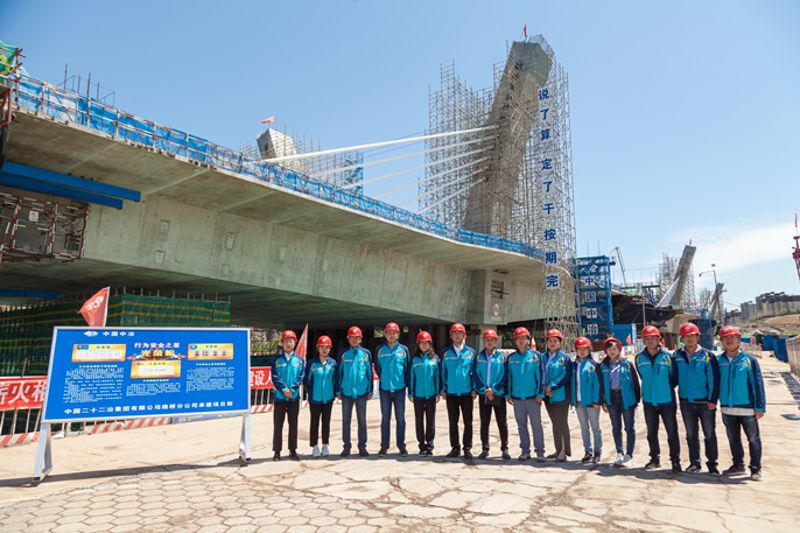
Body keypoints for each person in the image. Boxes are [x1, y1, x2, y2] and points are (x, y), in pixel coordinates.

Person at [717, 325, 766, 481]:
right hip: (727, 408)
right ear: (721, 341)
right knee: (734, 439)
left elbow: (758, 384)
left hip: (747, 409)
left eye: (732, 337)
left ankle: (756, 468)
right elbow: (714, 383)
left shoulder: (749, 361)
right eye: (725, 338)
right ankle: (738, 465)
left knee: (753, 439)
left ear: (738, 339)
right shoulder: (719, 361)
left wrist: (760, 406)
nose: (729, 340)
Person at [674, 322, 720, 474]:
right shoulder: (677, 356)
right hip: (686, 401)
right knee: (691, 434)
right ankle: (695, 463)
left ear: (697, 337)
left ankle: (712, 464)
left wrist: (713, 399)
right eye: (686, 336)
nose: (689, 339)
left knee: (709, 434)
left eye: (692, 335)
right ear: (682, 338)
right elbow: (673, 376)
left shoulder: (707, 355)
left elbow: (714, 378)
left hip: (705, 402)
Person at [635, 325, 681, 472]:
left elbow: (674, 378)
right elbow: (642, 376)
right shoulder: (639, 358)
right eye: (647, 338)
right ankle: (654, 459)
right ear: (643, 340)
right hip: (649, 401)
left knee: (672, 432)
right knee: (651, 433)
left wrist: (663, 388)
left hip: (666, 400)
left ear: (659, 339)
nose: (650, 341)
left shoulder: (668, 357)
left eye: (653, 338)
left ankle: (675, 460)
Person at [507, 326, 546, 462]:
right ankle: (525, 450)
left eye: (523, 338)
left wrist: (540, 394)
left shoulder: (536, 356)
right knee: (521, 426)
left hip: (533, 398)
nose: (521, 341)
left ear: (528, 340)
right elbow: (509, 377)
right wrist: (508, 394)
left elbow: (541, 376)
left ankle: (540, 451)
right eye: (518, 339)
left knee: (536, 425)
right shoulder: (511, 358)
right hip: (517, 398)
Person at [599, 337, 640, 467]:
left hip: (626, 398)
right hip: (612, 398)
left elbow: (635, 382)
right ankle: (619, 453)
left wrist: (636, 400)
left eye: (615, 349)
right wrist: (603, 401)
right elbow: (601, 385)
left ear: (619, 349)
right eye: (609, 349)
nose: (612, 351)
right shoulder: (603, 366)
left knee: (629, 427)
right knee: (616, 427)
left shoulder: (627, 364)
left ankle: (629, 455)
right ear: (606, 351)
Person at [441, 323, 477, 460]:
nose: (457, 335)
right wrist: (443, 389)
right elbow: (443, 372)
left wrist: (474, 388)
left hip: (466, 393)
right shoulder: (446, 352)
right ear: (451, 336)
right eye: (454, 333)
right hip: (451, 393)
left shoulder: (471, 352)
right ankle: (455, 448)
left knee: (468, 422)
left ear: (464, 335)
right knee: (453, 422)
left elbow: (474, 372)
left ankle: (467, 448)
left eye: (459, 333)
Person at [473, 329, 510, 460]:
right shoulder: (478, 357)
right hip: (484, 394)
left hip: (497, 394)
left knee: (502, 422)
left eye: (492, 340)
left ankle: (504, 448)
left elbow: (504, 375)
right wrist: (484, 389)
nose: (489, 342)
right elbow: (475, 374)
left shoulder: (502, 358)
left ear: (496, 341)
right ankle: (485, 448)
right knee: (484, 422)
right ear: (483, 341)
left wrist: (493, 389)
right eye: (487, 340)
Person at [375, 322, 410, 457]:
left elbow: (407, 369)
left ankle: (401, 446)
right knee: (385, 419)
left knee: (400, 419)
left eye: (394, 333)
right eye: (388, 332)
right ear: (385, 334)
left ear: (398, 335)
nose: (391, 335)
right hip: (385, 389)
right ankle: (384, 446)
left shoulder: (404, 350)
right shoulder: (380, 350)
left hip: (399, 389)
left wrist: (404, 384)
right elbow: (378, 369)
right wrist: (385, 379)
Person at [337, 326, 373, 457]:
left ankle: (362, 447)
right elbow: (339, 373)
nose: (354, 340)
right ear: (348, 339)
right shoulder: (343, 354)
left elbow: (369, 373)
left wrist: (370, 391)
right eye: (351, 337)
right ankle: (346, 447)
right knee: (346, 421)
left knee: (362, 422)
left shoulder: (366, 354)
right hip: (346, 393)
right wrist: (338, 391)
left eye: (356, 337)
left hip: (361, 393)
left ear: (360, 339)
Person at [271, 330, 305, 461]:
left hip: (293, 398)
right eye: (285, 341)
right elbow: (275, 376)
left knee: (293, 425)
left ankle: (293, 450)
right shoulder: (277, 360)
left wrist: (293, 389)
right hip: (280, 398)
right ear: (282, 343)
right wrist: (284, 389)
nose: (288, 344)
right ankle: (277, 452)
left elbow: (300, 376)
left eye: (290, 341)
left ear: (295, 343)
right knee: (278, 425)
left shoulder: (299, 361)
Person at [408, 331, 441, 456]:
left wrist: (438, 392)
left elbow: (437, 377)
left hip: (431, 395)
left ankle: (430, 446)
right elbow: (411, 378)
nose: (424, 345)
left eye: (426, 343)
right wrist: (410, 393)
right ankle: (421, 446)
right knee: (419, 421)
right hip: (418, 396)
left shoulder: (435, 359)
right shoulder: (414, 360)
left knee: (430, 421)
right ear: (418, 344)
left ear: (430, 344)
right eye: (421, 343)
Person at [305, 335, 338, 458]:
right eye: (322, 347)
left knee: (326, 422)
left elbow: (335, 380)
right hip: (315, 398)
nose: (324, 350)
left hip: (328, 398)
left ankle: (325, 445)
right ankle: (314, 446)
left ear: (330, 348)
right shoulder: (312, 363)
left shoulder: (333, 363)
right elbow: (307, 380)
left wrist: (334, 393)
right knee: (314, 422)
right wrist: (311, 392)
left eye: (327, 347)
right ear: (317, 348)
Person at [571, 336, 603, 464]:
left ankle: (597, 452)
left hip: (591, 403)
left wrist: (597, 401)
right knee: (584, 428)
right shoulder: (573, 366)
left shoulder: (594, 365)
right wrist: (573, 401)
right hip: (579, 402)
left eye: (585, 348)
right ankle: (587, 452)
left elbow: (598, 385)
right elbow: (573, 384)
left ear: (589, 349)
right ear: (576, 350)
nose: (582, 351)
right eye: (579, 349)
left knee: (595, 428)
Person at [543, 328, 572, 462]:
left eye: (555, 341)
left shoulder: (564, 358)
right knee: (555, 423)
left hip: (560, 395)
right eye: (550, 341)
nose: (552, 343)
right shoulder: (543, 357)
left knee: (562, 423)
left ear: (560, 343)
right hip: (548, 396)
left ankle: (564, 451)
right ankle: (558, 449)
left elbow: (565, 375)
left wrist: (552, 386)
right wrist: (544, 388)